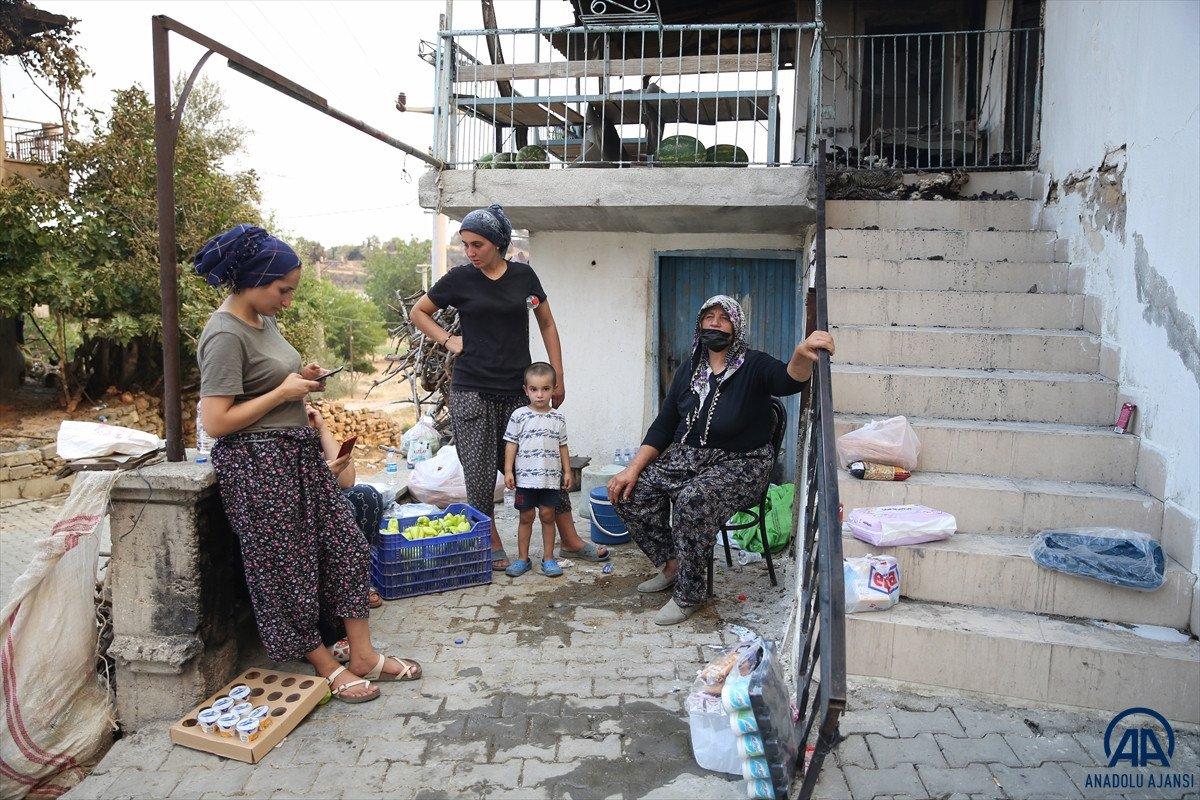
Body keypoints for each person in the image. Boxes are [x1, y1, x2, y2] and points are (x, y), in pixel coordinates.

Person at [194, 224, 420, 704]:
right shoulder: (223, 335)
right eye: (283, 290)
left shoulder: (263, 320)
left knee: (347, 548)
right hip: (257, 465)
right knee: (285, 568)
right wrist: (283, 391)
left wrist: (300, 378)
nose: (288, 301)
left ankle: (362, 655)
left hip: (296, 456)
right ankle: (323, 664)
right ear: (255, 279)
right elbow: (216, 421)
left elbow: (268, 380)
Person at [607, 295, 835, 626]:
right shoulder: (689, 369)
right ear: (699, 324)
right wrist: (631, 469)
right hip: (689, 458)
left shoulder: (754, 365)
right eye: (708, 316)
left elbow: (790, 380)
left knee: (694, 500)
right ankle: (672, 565)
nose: (715, 322)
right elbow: (664, 425)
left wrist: (802, 354)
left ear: (736, 327)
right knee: (630, 491)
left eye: (723, 318)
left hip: (742, 463)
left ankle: (690, 593)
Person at [410, 204, 608, 570]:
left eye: (477, 245)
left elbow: (546, 323)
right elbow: (419, 312)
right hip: (472, 393)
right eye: (466, 244)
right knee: (481, 472)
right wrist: (449, 340)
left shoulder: (523, 278)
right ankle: (491, 541)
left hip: (519, 394)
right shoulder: (459, 279)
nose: (470, 252)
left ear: (498, 243)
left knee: (544, 465)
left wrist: (557, 376)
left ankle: (569, 540)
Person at [306, 402, 384, 609]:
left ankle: (358, 583)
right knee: (343, 508)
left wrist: (321, 429)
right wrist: (322, 476)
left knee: (368, 496)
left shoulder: (310, 432)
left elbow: (347, 481)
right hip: (300, 504)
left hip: (324, 494)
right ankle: (337, 595)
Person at [502, 362, 573, 578]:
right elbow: (511, 444)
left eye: (545, 389)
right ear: (526, 390)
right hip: (525, 480)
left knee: (547, 515)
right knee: (525, 517)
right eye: (534, 389)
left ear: (554, 389)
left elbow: (563, 446)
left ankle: (548, 559)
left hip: (550, 480)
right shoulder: (519, 415)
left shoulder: (558, 418)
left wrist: (567, 471)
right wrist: (508, 471)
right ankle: (523, 559)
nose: (540, 395)